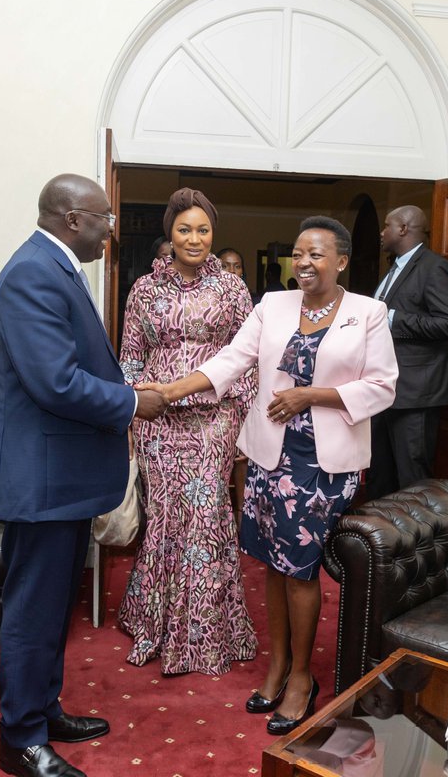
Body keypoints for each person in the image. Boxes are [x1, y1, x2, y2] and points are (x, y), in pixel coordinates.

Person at [142, 216, 397, 735]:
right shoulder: (272, 305)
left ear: (341, 261)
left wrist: (315, 396)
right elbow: (232, 360)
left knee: (299, 566)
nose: (304, 262)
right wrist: (168, 392)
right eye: (299, 253)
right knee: (271, 565)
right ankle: (278, 664)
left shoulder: (368, 313)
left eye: (316, 254)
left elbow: (383, 387)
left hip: (323, 462)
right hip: (268, 455)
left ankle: (302, 677)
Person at [0, 173, 167, 777]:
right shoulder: (34, 272)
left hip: (61, 476)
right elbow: (54, 382)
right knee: (33, 610)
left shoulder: (58, 267)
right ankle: (20, 739)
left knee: (53, 604)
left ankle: (41, 709)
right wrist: (132, 402)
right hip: (42, 479)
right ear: (72, 219)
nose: (113, 229)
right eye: (105, 219)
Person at [117, 188, 258, 676]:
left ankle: (202, 632)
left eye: (203, 230)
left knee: (204, 518)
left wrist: (240, 420)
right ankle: (153, 621)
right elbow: (130, 357)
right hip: (157, 423)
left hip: (213, 421)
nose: (195, 239)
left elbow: (250, 355)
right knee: (163, 518)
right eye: (185, 230)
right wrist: (135, 409)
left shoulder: (233, 291)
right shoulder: (144, 290)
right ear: (169, 235)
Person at [367, 205, 448, 498]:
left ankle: (416, 543)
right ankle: (378, 538)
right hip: (386, 389)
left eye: (387, 225)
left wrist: (393, 317)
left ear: (404, 228)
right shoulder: (394, 268)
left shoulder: (434, 267)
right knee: (379, 474)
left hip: (417, 393)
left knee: (413, 478)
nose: (382, 232)